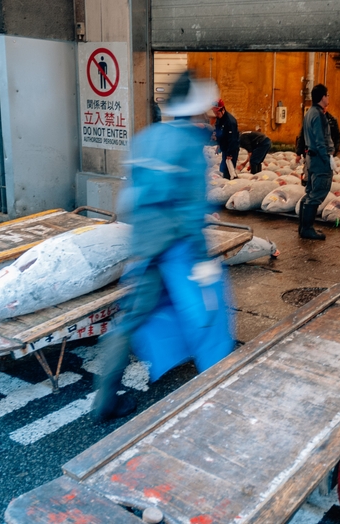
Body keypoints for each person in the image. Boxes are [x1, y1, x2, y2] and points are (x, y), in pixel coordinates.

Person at [93, 71, 234, 422]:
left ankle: (104, 400)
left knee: (131, 319)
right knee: (205, 314)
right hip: (177, 248)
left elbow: (132, 191)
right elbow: (190, 207)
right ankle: (216, 387)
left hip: (143, 244)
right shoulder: (190, 146)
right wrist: (201, 261)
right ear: (198, 109)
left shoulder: (146, 137)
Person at [299, 83, 334, 240]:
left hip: (311, 158)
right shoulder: (318, 114)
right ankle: (307, 228)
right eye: (327, 95)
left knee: (310, 192)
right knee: (317, 192)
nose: (328, 98)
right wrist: (327, 160)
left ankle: (303, 226)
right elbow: (321, 141)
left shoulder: (309, 113)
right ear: (322, 97)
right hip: (319, 160)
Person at [212, 98, 239, 179]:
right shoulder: (219, 119)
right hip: (225, 148)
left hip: (231, 149)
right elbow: (220, 134)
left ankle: (231, 184)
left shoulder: (230, 122)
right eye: (214, 112)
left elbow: (233, 139)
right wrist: (219, 145)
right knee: (223, 169)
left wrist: (230, 154)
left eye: (217, 112)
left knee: (228, 171)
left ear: (222, 110)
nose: (215, 114)